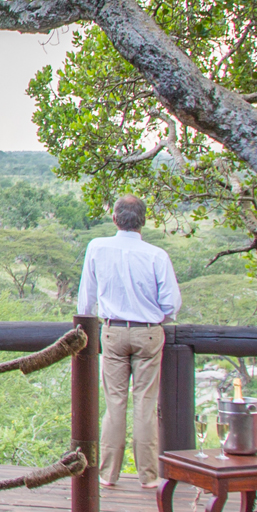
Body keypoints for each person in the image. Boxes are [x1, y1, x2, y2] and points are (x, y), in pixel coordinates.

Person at [74, 196, 180, 490]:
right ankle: (148, 476)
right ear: (143, 220)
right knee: (145, 404)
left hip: (112, 332)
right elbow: (171, 305)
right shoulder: (157, 255)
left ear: (115, 219)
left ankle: (108, 474)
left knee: (114, 403)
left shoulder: (97, 247)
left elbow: (86, 301)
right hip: (148, 332)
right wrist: (154, 317)